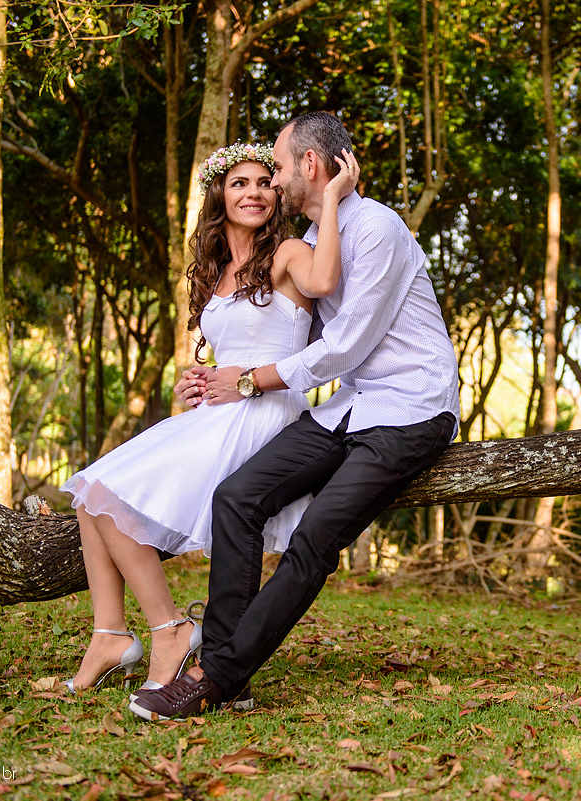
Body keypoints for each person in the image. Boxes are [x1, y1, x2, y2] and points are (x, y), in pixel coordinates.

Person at [130, 112, 460, 721]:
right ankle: (231, 668)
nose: (273, 183)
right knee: (236, 498)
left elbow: (349, 343)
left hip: (409, 410)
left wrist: (254, 381)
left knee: (314, 540)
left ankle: (214, 679)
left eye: (278, 168)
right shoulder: (311, 244)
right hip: (348, 407)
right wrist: (213, 372)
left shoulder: (380, 227)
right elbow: (276, 323)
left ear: (311, 165)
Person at [59, 140, 359, 694]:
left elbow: (323, 284)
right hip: (221, 413)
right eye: (239, 183)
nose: (254, 193)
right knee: (89, 496)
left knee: (109, 495)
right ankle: (108, 633)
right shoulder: (214, 272)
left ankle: (170, 630)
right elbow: (227, 353)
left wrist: (336, 196)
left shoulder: (289, 252)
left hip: (265, 415)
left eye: (264, 183)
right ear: (219, 194)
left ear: (278, 193)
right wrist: (197, 381)